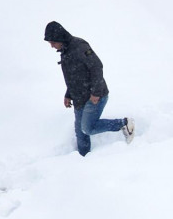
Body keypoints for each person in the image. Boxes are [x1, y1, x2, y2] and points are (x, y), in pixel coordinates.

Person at [44, 21, 135, 156]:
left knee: (88, 128)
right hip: (79, 98)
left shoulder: (79, 46)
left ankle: (123, 124)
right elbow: (73, 76)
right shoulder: (65, 51)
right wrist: (68, 94)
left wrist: (96, 92)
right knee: (80, 131)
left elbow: (97, 67)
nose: (51, 46)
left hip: (94, 97)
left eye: (52, 42)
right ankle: (84, 158)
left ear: (59, 37)